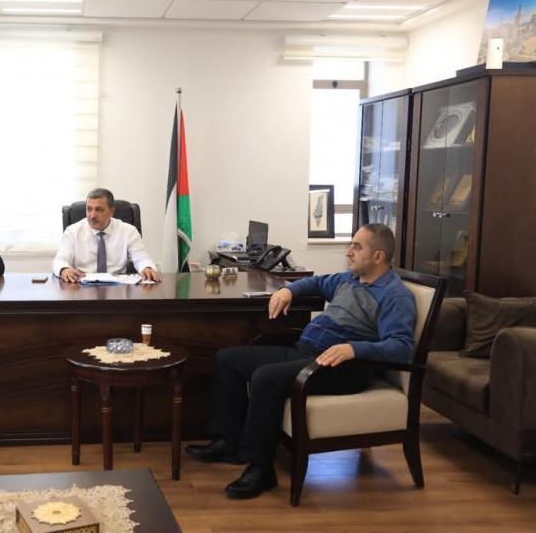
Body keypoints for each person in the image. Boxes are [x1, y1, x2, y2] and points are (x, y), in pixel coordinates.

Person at [185, 223, 416, 499]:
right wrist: (289, 291)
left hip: (341, 368)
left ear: (378, 256)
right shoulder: (349, 280)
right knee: (227, 359)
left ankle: (261, 469)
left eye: (357, 246)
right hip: (305, 352)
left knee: (265, 378)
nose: (348, 251)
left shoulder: (395, 295)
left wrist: (354, 349)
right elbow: (315, 282)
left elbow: (401, 347)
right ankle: (229, 442)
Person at [52, 188, 160, 283]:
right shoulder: (73, 231)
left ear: (112, 211)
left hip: (117, 286)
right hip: (82, 285)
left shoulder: (128, 231)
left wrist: (146, 267)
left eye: (99, 210)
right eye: (89, 209)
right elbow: (60, 260)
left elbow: (141, 257)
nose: (92, 215)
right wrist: (64, 269)